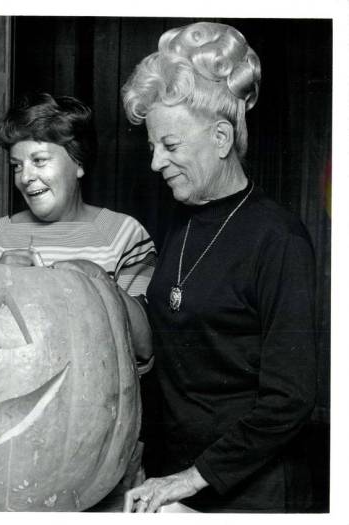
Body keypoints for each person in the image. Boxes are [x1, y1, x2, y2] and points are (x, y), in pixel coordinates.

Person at [119, 22, 316, 512]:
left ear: (222, 137)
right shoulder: (183, 223)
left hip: (253, 491)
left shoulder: (279, 238)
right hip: (179, 478)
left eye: (170, 145)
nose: (155, 163)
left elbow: (289, 400)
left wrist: (190, 479)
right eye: (152, 148)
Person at [0, 92, 157, 489]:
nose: (25, 177)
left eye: (39, 161)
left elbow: (144, 348)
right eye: (17, 165)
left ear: (79, 163)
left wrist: (98, 282)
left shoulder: (123, 234)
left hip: (98, 439)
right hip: (2, 440)